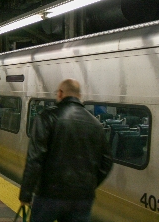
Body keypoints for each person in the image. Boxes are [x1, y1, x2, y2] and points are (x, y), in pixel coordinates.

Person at [19, 79, 113, 222]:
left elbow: (35, 158)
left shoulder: (47, 117)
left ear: (61, 93)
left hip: (49, 195)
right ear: (79, 96)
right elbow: (107, 161)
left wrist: (26, 194)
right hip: (83, 198)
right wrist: (89, 185)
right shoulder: (96, 124)